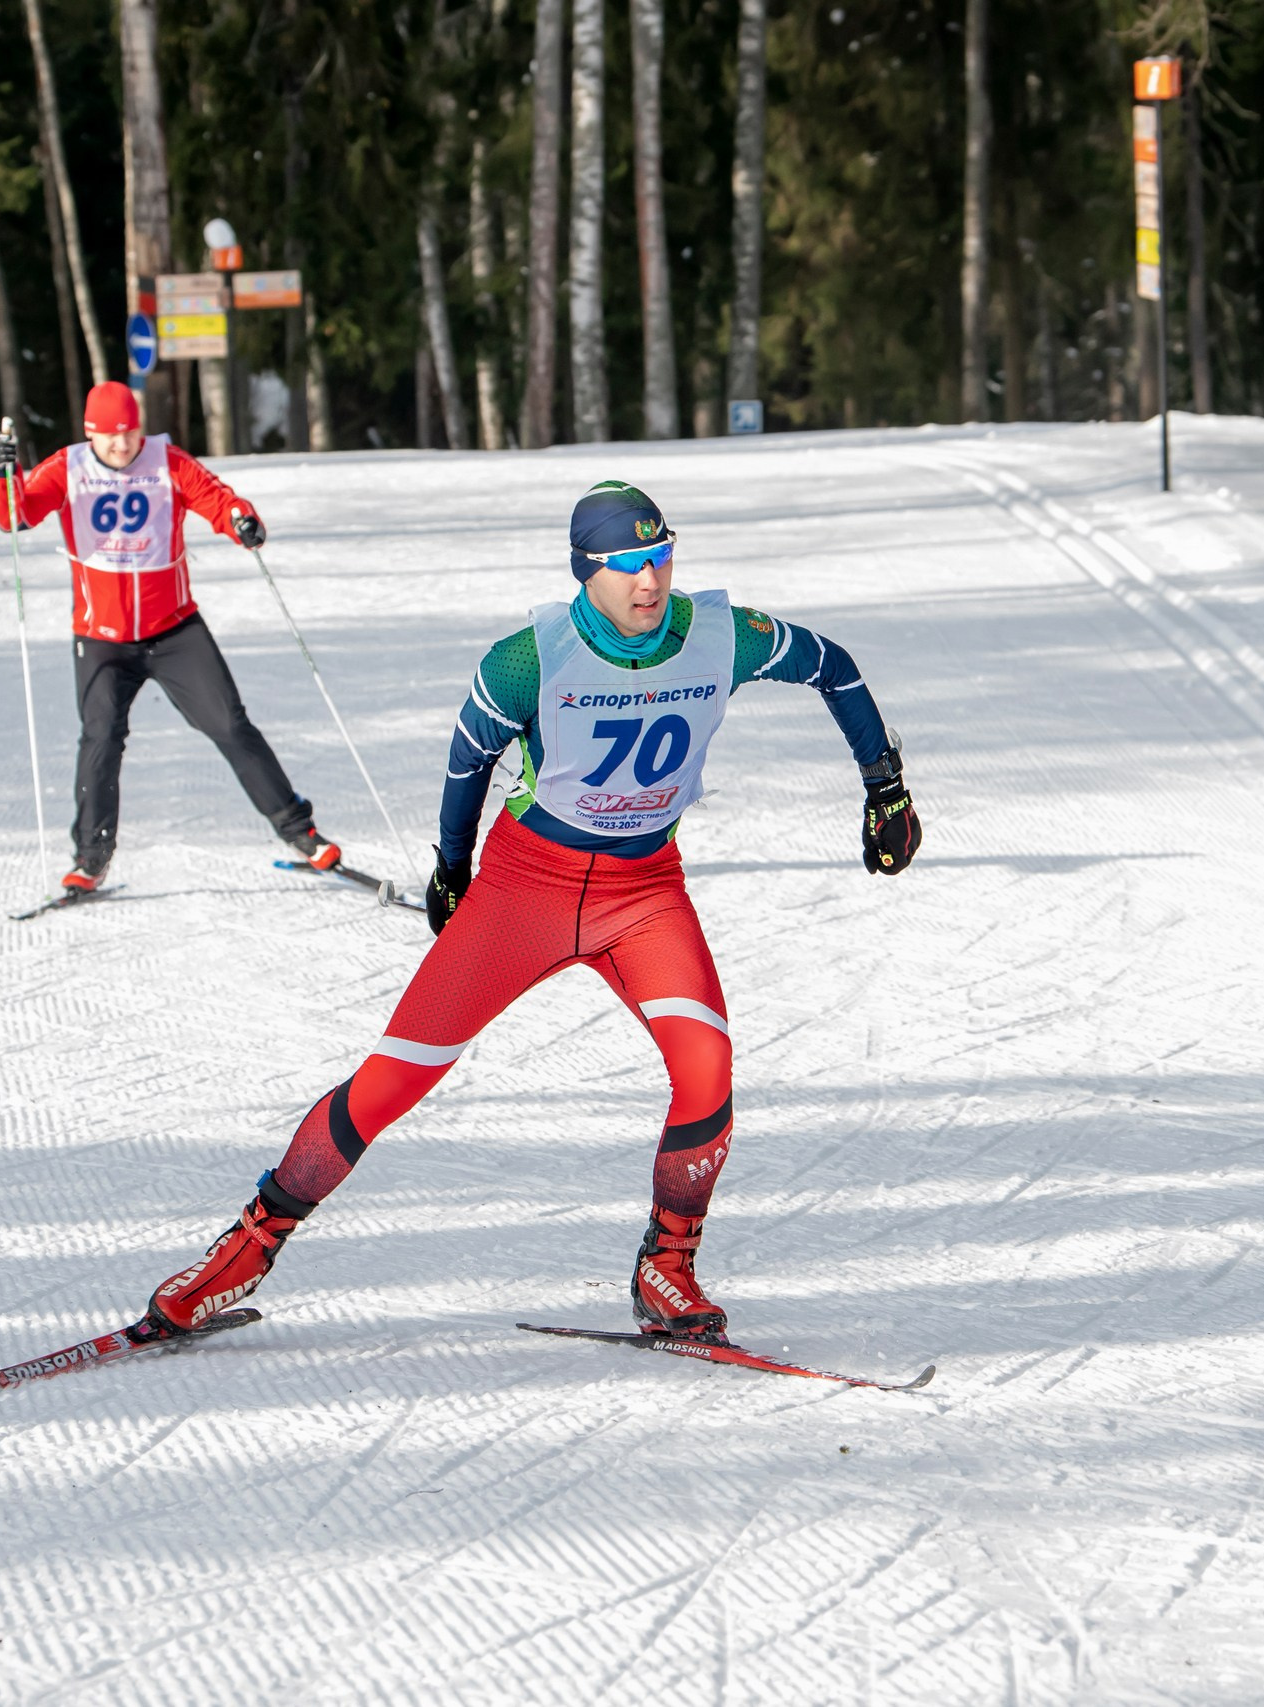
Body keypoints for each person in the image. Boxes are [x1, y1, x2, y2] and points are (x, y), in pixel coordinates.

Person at [140, 479, 922, 1343]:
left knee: (708, 1073)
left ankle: (668, 1264)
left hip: (643, 893)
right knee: (395, 1077)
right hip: (525, 890)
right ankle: (246, 1248)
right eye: (626, 567)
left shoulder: (721, 636)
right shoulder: (527, 659)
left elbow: (834, 666)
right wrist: (451, 867)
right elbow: (466, 758)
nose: (650, 584)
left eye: (660, 559)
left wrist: (884, 788)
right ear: (586, 571)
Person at [0, 382, 340, 896]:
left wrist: (241, 519)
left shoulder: (165, 461)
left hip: (174, 629)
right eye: (109, 437)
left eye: (129, 433)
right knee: (101, 737)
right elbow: (14, 513)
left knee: (229, 724)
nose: (121, 445)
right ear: (90, 433)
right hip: (101, 637)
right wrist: (3, 472)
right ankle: (91, 857)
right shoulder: (69, 467)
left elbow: (216, 498)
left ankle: (300, 833)